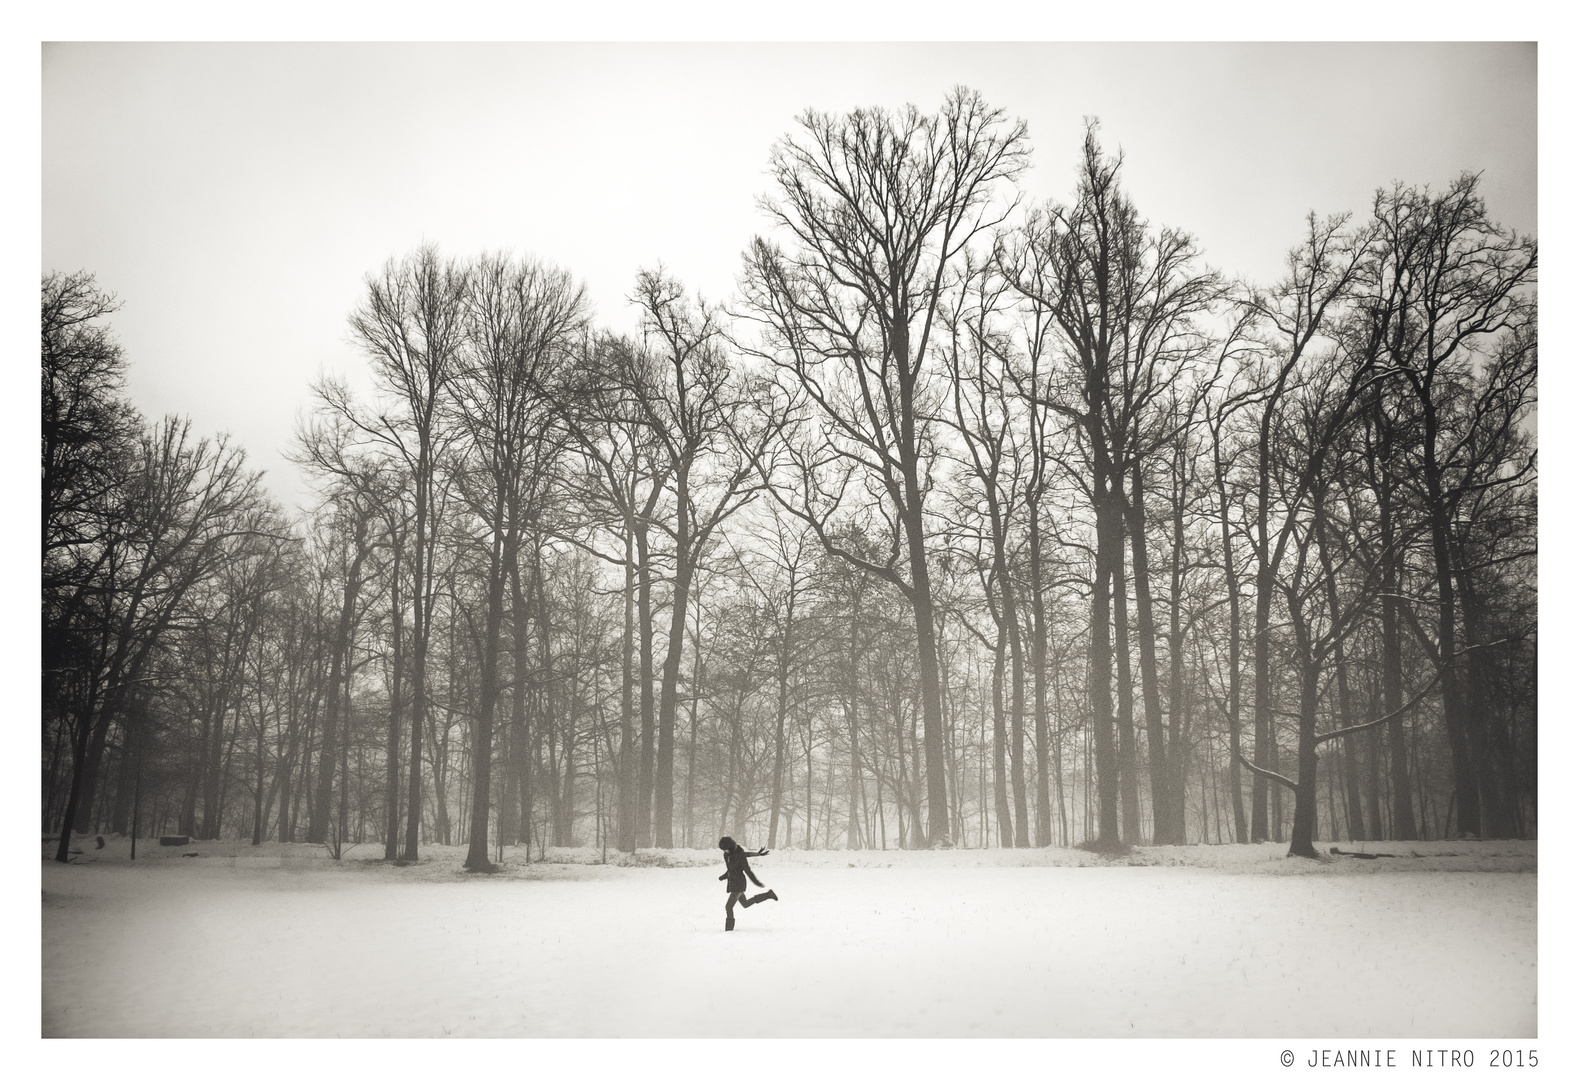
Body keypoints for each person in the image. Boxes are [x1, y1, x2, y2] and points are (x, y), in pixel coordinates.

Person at [717, 836, 778, 931]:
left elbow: (747, 871)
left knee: (728, 906)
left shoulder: (739, 855)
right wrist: (724, 876)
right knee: (745, 904)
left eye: (726, 849)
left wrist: (757, 882)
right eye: (723, 850)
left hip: (739, 884)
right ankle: (768, 895)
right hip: (733, 883)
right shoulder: (727, 855)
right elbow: (731, 869)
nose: (725, 851)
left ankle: (729, 930)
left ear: (731, 847)